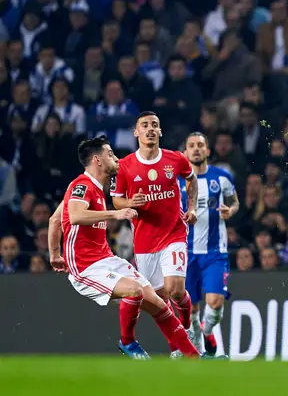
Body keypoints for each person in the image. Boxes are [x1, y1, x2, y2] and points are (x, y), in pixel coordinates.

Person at [46, 135, 200, 359]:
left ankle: (193, 356)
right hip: (85, 267)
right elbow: (76, 215)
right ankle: (128, 342)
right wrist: (115, 213)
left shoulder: (96, 188)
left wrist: (54, 255)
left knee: (158, 302)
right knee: (134, 291)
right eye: (110, 154)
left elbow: (54, 220)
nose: (116, 158)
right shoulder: (82, 185)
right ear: (97, 160)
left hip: (106, 259)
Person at [110, 111, 199, 358]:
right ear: (136, 132)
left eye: (155, 125)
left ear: (160, 132)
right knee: (158, 300)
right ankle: (177, 348)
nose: (150, 129)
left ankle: (187, 328)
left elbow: (191, 180)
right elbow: (116, 201)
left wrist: (191, 208)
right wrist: (130, 202)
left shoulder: (176, 159)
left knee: (175, 290)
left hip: (174, 234)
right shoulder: (126, 165)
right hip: (145, 243)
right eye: (145, 125)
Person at [180, 132, 238, 356]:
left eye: (200, 145)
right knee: (190, 308)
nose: (196, 149)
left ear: (207, 151)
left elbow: (234, 202)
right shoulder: (178, 181)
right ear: (185, 152)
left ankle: (208, 331)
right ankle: (197, 351)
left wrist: (230, 210)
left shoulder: (221, 177)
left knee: (214, 303)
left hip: (215, 251)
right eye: (191, 145)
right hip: (186, 253)